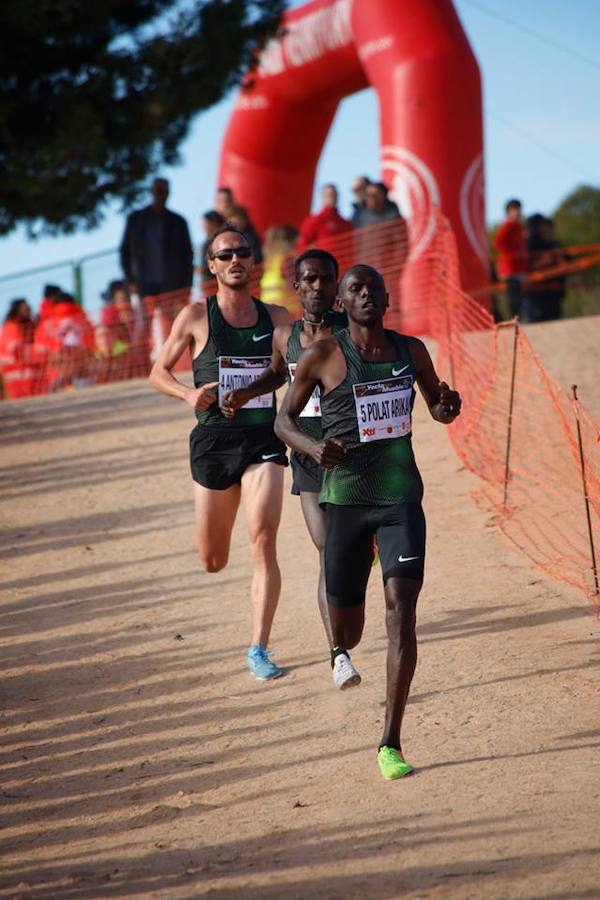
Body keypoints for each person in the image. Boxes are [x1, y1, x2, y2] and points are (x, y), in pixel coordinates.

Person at [275, 264, 461, 780]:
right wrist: (315, 446)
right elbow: (282, 421)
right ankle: (338, 647)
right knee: (349, 630)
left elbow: (437, 408)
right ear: (343, 298)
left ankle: (390, 742)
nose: (365, 296)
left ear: (385, 298)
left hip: (400, 498)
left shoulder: (411, 351)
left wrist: (447, 406)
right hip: (346, 504)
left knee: (401, 609)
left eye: (372, 288)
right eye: (354, 289)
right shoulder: (323, 354)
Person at [149, 226, 292, 680]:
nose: (235, 260)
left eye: (242, 252)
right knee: (214, 561)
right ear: (211, 266)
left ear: (254, 262)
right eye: (225, 254)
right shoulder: (195, 316)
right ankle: (223, 569)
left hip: (262, 442)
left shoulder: (277, 317)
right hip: (213, 444)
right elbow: (158, 372)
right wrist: (188, 396)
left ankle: (259, 648)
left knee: (263, 539)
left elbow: (303, 364)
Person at [222, 249, 359, 687]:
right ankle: (338, 655)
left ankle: (363, 548)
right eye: (310, 280)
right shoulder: (286, 335)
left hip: (352, 455)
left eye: (326, 279)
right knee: (328, 551)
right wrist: (245, 393)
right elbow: (278, 376)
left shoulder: (351, 332)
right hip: (306, 454)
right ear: (296, 286)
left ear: (337, 286)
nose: (318, 287)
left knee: (344, 551)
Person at [119, 177, 194, 361]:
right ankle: (142, 365)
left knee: (173, 327)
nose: (160, 195)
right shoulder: (136, 220)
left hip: (172, 286)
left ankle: (173, 364)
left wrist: (187, 286)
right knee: (143, 327)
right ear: (151, 192)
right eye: (157, 191)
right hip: (144, 286)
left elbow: (187, 255)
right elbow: (125, 252)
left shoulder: (178, 222)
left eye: (164, 192)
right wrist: (131, 280)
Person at [523, 215, 568, 323]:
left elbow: (565, 265)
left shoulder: (555, 245)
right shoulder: (529, 246)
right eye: (542, 227)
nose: (546, 230)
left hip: (553, 296)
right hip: (534, 297)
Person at [0, 298, 42, 399]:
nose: (27, 311)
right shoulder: (11, 327)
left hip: (29, 372)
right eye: (24, 309)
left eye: (28, 309)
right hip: (15, 372)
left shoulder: (30, 326)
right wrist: (37, 351)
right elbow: (15, 349)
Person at [493, 199, 527, 318]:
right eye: (514, 210)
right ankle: (514, 321)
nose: (518, 212)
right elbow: (498, 242)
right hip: (509, 269)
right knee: (513, 299)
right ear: (508, 212)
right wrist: (512, 254)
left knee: (520, 297)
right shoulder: (507, 226)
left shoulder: (519, 227)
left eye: (518, 209)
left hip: (519, 269)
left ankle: (518, 320)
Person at [297, 184, 352, 252]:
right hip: (321, 260)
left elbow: (350, 247)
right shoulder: (314, 220)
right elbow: (302, 245)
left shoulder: (344, 223)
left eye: (334, 195)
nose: (332, 198)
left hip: (342, 261)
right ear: (323, 197)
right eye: (329, 195)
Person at [260, 225, 300, 316]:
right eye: (297, 240)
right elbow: (294, 285)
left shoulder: (270, 261)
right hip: (288, 310)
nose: (298, 243)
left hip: (268, 309)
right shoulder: (287, 260)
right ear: (289, 241)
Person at [200, 210, 225, 290]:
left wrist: (202, 269)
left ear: (213, 223)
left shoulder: (222, 241)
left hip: (217, 283)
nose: (203, 227)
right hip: (208, 284)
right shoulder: (207, 241)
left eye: (205, 223)